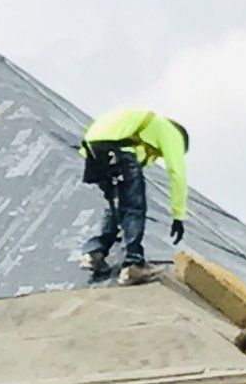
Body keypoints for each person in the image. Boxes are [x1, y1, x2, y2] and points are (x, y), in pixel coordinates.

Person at [78, 108, 189, 286]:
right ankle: (133, 265)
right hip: (118, 149)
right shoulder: (171, 131)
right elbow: (177, 173)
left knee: (116, 206)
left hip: (93, 153)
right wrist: (178, 215)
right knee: (133, 207)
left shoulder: (141, 126)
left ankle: (94, 253)